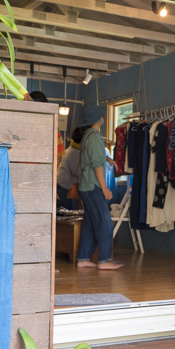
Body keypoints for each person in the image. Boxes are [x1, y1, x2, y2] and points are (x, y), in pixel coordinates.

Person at [76, 104, 123, 270]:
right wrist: (105, 188)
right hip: (93, 187)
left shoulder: (87, 136)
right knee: (105, 223)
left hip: (85, 187)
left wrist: (107, 159)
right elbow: (96, 165)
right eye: (101, 115)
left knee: (90, 224)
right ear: (98, 120)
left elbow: (92, 158)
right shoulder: (95, 137)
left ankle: (83, 258)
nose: (103, 117)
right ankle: (104, 260)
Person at [56, 126, 85, 210]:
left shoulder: (72, 149)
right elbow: (79, 173)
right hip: (65, 187)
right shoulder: (74, 153)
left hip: (63, 185)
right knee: (69, 211)